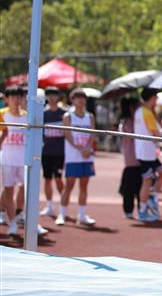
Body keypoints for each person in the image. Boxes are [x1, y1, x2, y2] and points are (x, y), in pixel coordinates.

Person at [0, 86, 48, 236]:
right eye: (13, 96)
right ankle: (12, 223)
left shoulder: (27, 116)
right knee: (8, 190)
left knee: (25, 189)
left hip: (23, 160)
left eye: (19, 96)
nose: (16, 99)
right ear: (6, 99)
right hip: (7, 160)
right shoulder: (1, 115)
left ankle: (21, 215)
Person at [56, 88, 96, 226]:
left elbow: (92, 134)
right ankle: (62, 214)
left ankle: (82, 215)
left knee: (84, 186)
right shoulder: (68, 116)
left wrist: (87, 148)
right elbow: (67, 135)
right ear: (72, 100)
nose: (81, 100)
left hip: (87, 156)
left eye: (83, 97)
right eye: (77, 98)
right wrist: (80, 148)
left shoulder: (90, 116)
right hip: (73, 156)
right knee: (69, 186)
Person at [133, 88, 162, 222]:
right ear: (152, 98)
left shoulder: (140, 111)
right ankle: (142, 210)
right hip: (146, 153)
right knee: (147, 181)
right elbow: (155, 133)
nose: (157, 100)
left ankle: (153, 198)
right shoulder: (145, 112)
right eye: (156, 97)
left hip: (148, 152)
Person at [40, 87, 65, 217]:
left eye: (54, 95)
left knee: (59, 179)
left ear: (58, 96)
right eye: (48, 95)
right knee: (47, 179)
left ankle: (63, 206)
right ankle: (49, 205)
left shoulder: (64, 114)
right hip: (46, 152)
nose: (51, 97)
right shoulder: (43, 114)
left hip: (59, 153)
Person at [118, 98, 142, 219]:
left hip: (141, 160)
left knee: (140, 188)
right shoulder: (126, 122)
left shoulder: (137, 120)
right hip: (131, 161)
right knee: (129, 190)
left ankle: (141, 210)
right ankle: (128, 211)